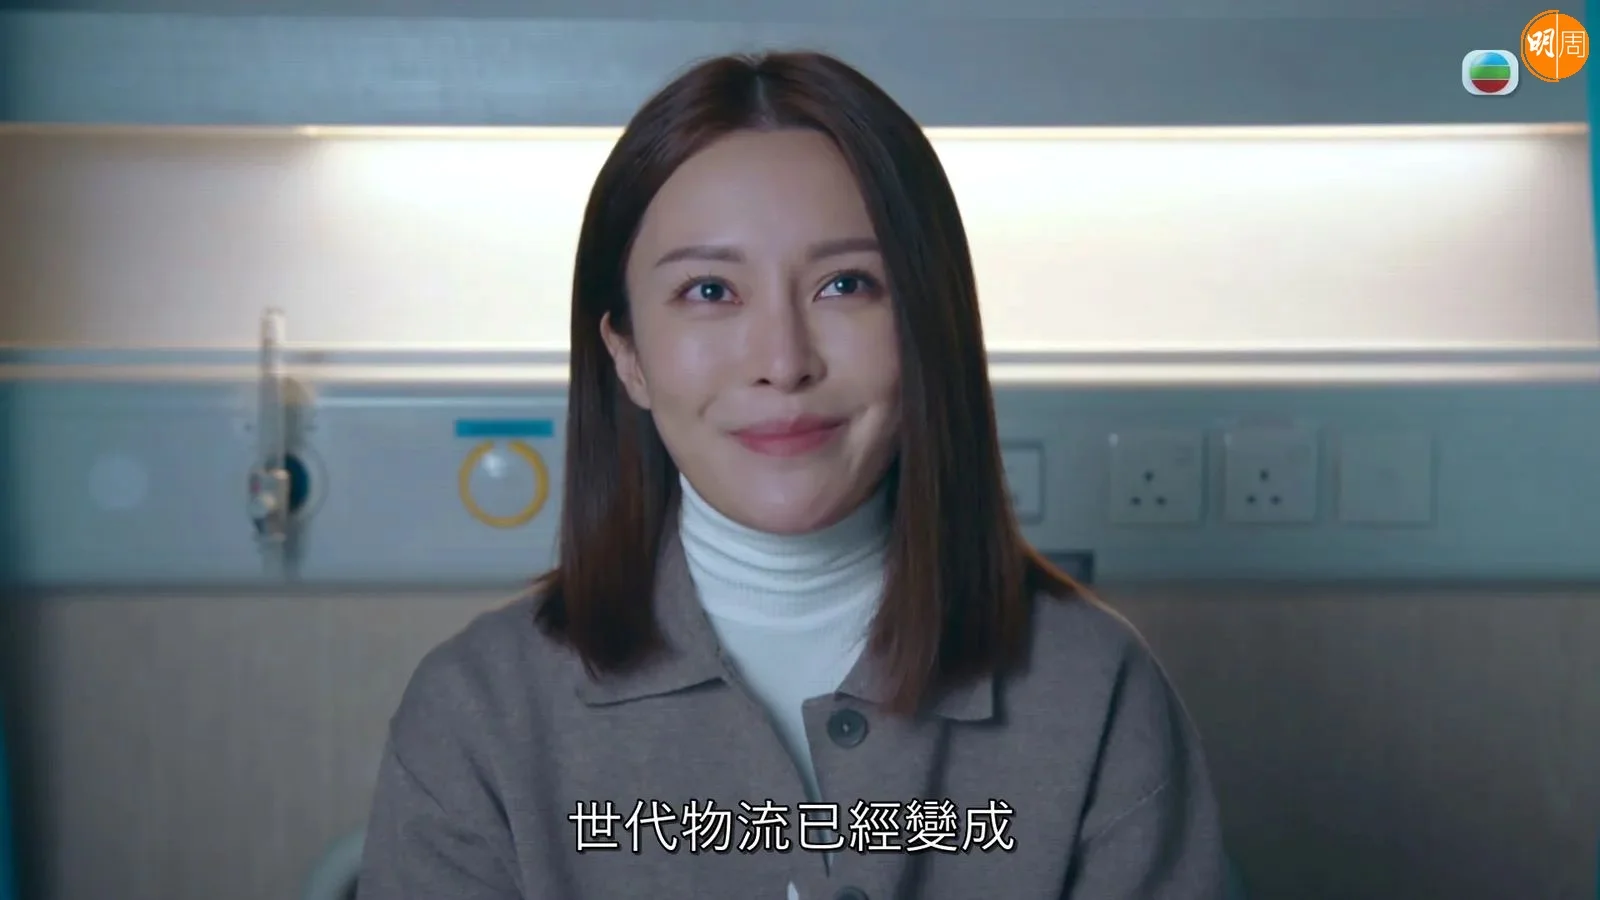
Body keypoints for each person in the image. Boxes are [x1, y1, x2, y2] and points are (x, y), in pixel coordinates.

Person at [357, 50, 1229, 900]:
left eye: (846, 285)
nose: (782, 361)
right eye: (709, 292)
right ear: (626, 353)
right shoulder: (478, 717)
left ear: (928, 327)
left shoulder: (1094, 693)